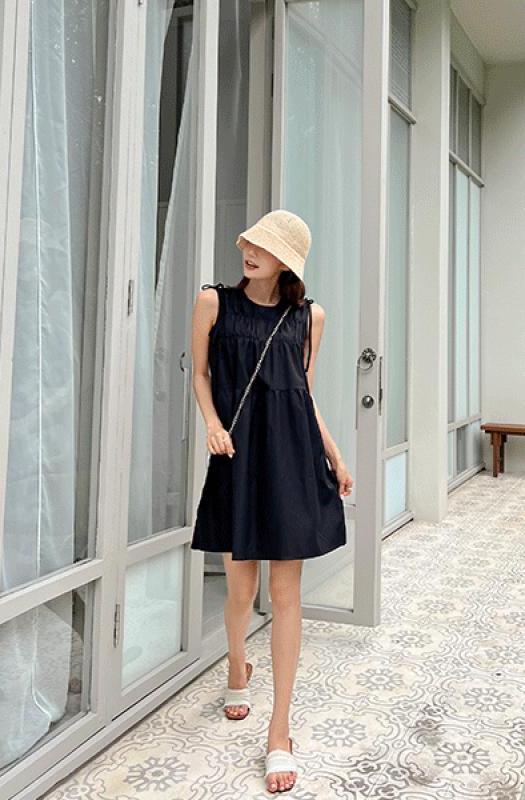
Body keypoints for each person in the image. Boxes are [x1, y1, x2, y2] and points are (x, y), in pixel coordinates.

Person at [190, 209, 354, 794]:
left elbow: (304, 392)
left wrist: (334, 453)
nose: (250, 251)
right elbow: (201, 375)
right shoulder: (213, 302)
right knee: (241, 589)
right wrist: (212, 424)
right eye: (250, 242)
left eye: (265, 247)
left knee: (287, 597)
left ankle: (279, 731)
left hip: (292, 459)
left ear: (288, 262)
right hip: (238, 456)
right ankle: (237, 664)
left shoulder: (310, 316)